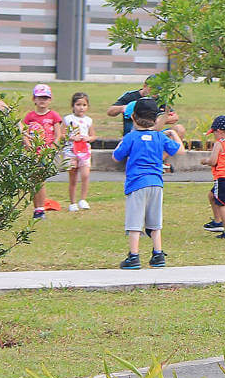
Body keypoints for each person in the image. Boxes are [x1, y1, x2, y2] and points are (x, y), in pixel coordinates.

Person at [112, 98, 181, 270]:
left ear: (133, 117)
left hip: (137, 184)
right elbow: (179, 150)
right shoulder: (160, 137)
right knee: (154, 222)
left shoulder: (131, 137)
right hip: (156, 184)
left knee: (135, 223)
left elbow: (116, 156)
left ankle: (133, 256)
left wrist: (123, 142)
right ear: (155, 119)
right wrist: (174, 134)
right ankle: (158, 254)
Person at [21, 84, 63, 220]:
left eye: (45, 98)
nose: (42, 101)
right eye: (40, 98)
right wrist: (29, 147)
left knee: (40, 180)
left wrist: (51, 150)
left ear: (50, 99)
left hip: (46, 153)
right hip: (34, 153)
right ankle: (37, 208)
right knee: (35, 180)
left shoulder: (53, 116)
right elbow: (25, 134)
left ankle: (40, 209)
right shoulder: (30, 116)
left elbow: (58, 135)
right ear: (34, 99)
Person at [200, 115, 225, 239]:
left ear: (219, 131)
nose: (214, 136)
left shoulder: (219, 144)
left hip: (223, 178)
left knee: (222, 204)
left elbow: (213, 161)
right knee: (212, 195)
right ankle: (217, 222)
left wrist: (205, 161)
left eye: (214, 133)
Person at [62, 92, 95, 212]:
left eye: (84, 105)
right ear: (73, 105)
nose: (81, 107)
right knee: (73, 177)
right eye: (78, 104)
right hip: (71, 151)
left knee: (85, 175)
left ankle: (83, 199)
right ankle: (72, 202)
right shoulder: (68, 119)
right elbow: (62, 134)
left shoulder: (88, 120)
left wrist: (88, 139)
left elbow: (93, 136)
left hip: (84, 152)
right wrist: (71, 138)